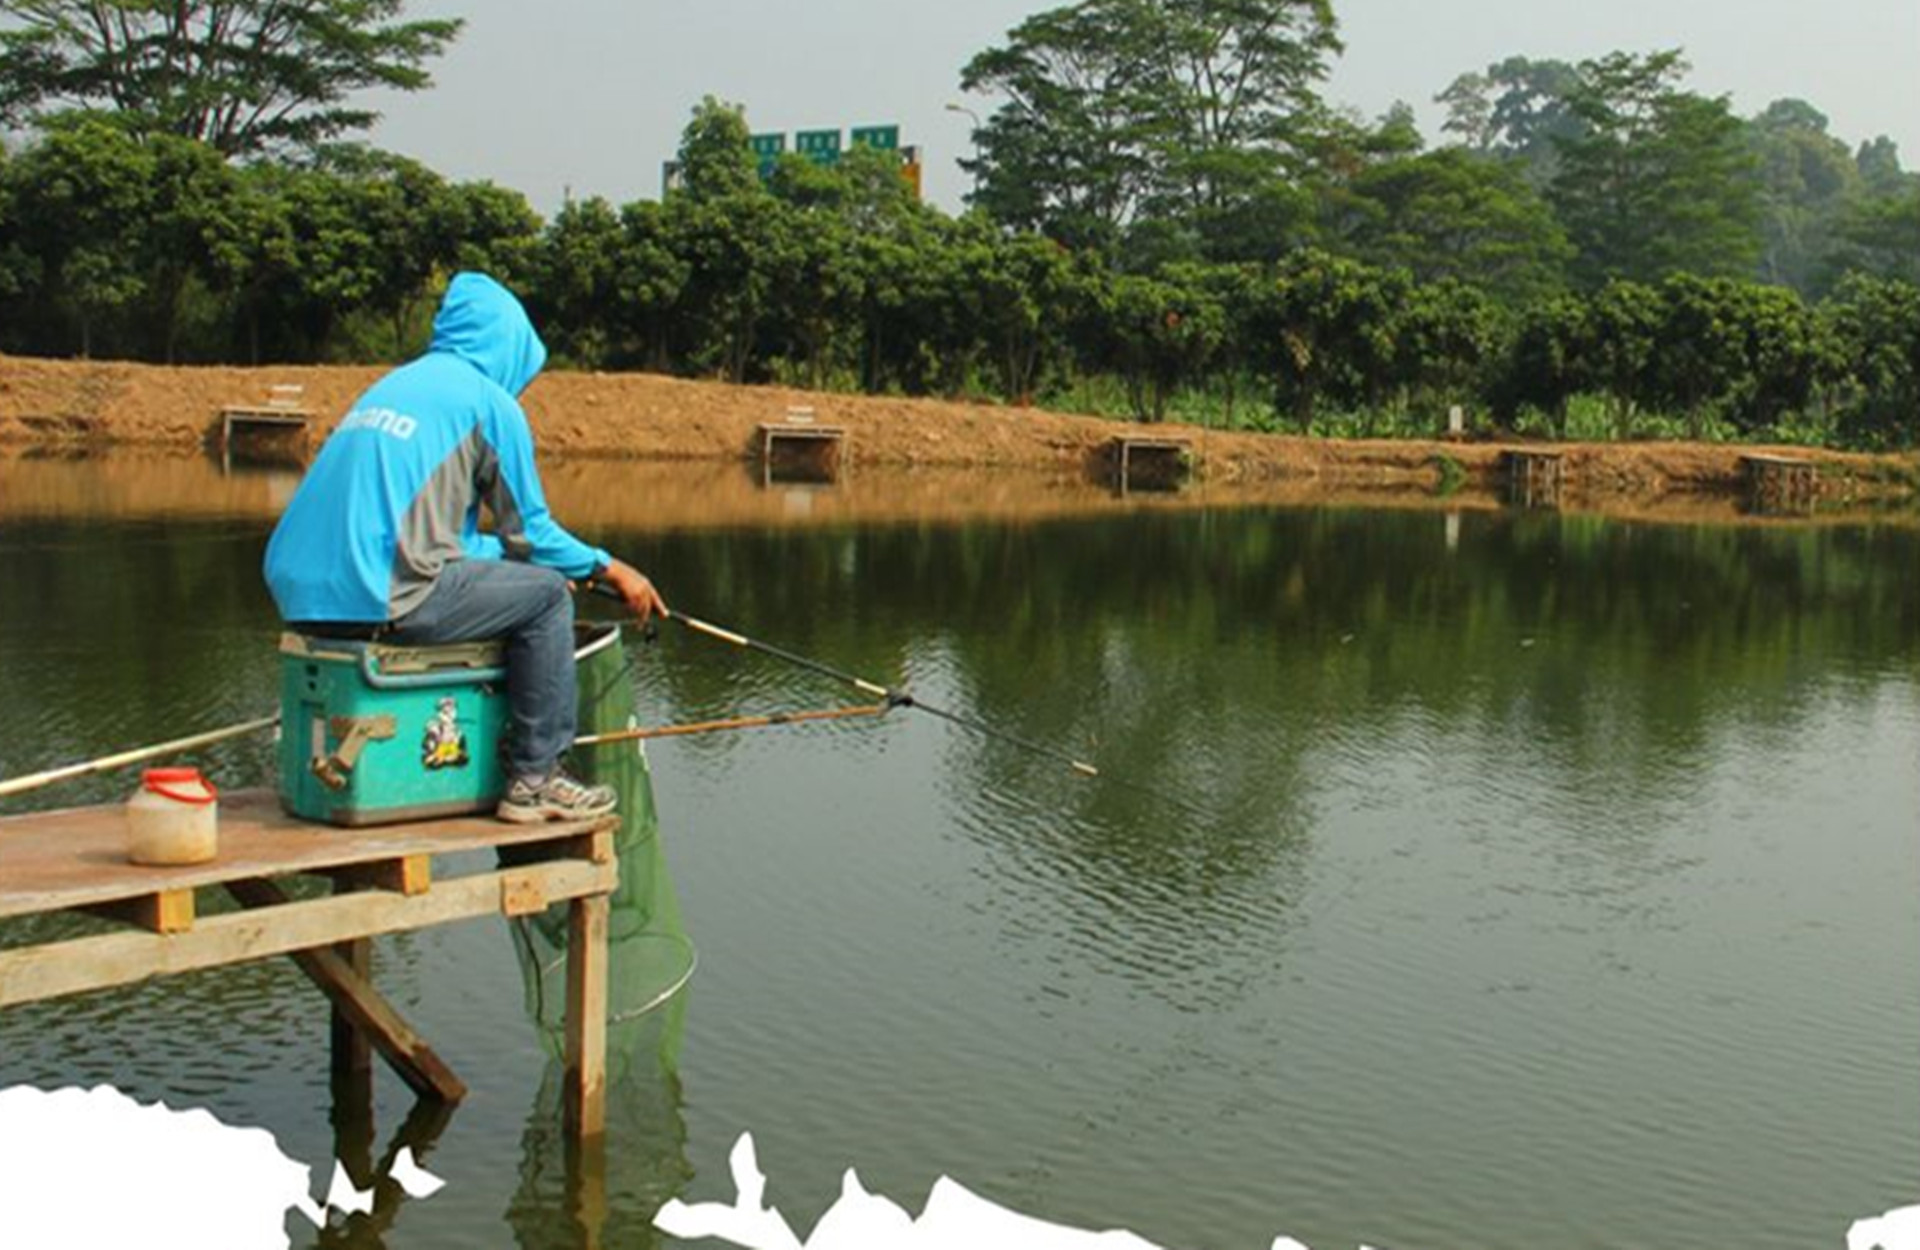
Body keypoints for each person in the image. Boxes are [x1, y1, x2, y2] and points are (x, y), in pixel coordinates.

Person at [264, 271, 667, 822]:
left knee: (530, 585)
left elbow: (444, 540)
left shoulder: (395, 387)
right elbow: (533, 535)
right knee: (548, 596)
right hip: (383, 592)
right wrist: (612, 568)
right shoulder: (487, 401)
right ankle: (534, 779)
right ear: (511, 347)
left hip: (306, 599)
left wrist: (516, 569)